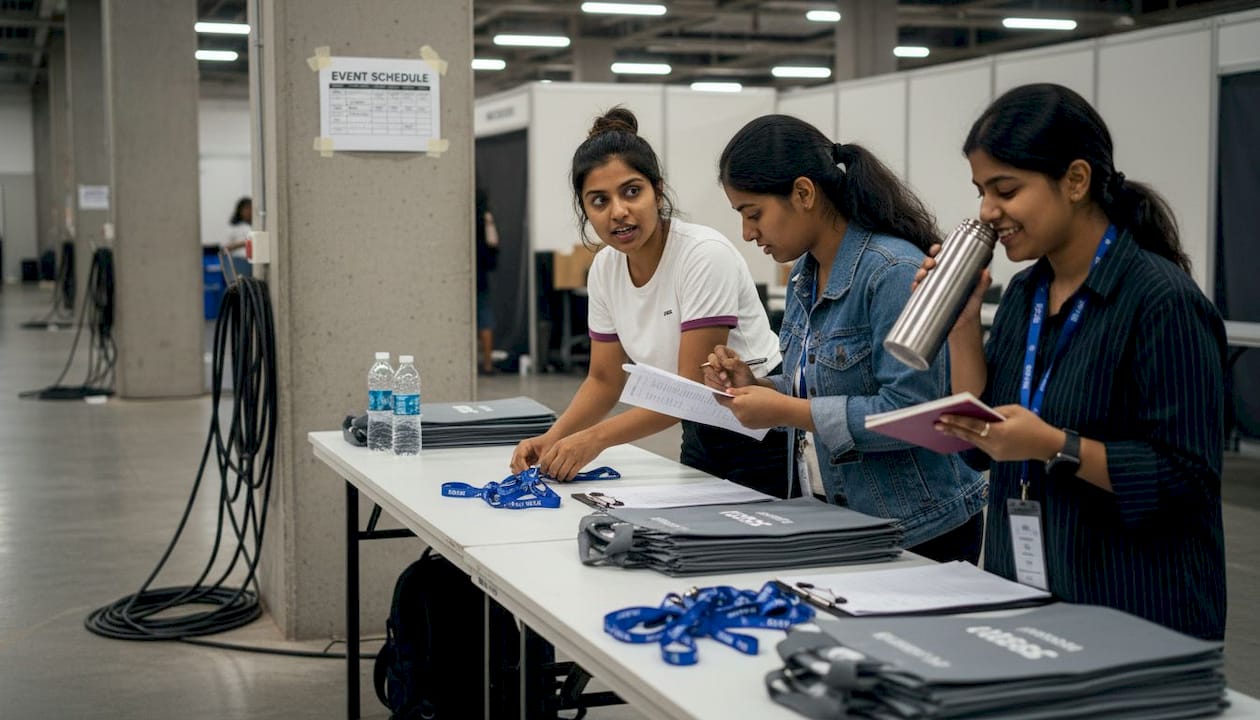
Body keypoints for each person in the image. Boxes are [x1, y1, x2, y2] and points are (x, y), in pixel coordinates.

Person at [926, 83, 1226, 640]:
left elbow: (1186, 479)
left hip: (1134, 611)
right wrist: (962, 324)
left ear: (1076, 180)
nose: (988, 212)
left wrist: (1052, 445)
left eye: (1005, 190)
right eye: (981, 192)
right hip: (1026, 598)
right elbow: (976, 449)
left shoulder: (1161, 302)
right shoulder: (1024, 294)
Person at [703, 114, 987, 563]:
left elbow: (908, 412)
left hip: (916, 528)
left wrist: (784, 409)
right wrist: (756, 386)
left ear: (803, 193)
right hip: (836, 517)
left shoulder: (892, 272)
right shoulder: (804, 274)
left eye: (753, 214)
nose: (748, 233)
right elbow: (818, 383)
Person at [510, 107, 792, 497]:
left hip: (762, 430)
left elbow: (691, 386)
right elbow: (604, 380)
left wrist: (595, 439)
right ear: (585, 210)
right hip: (699, 426)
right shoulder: (604, 268)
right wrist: (551, 439)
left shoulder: (702, 255)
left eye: (632, 192)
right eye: (599, 200)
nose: (618, 212)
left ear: (657, 191)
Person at [475, 184, 500, 374]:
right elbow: (493, 243)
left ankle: (485, 363)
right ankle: (488, 363)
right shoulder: (485, 217)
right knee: (484, 317)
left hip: (468, 272)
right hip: (480, 272)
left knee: (483, 316)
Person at [225, 197, 252, 279]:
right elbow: (226, 247)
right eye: (246, 208)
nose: (249, 211)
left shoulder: (255, 225)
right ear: (240, 210)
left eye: (251, 208)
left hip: (252, 262)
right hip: (238, 262)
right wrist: (246, 242)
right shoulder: (233, 227)